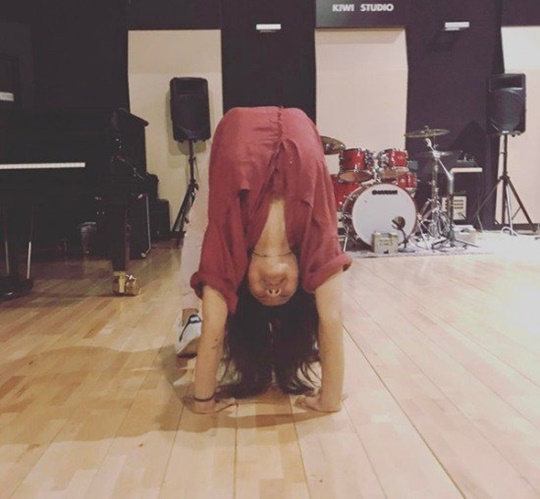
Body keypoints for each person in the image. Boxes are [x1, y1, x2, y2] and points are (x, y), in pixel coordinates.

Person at [177, 106, 352, 414]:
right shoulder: (316, 240)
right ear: (302, 282)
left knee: (202, 223)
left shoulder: (229, 245)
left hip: (236, 136)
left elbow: (214, 327)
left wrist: (203, 402)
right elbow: (331, 319)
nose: (272, 290)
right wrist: (329, 399)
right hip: (299, 134)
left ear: (244, 278)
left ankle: (185, 321)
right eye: (282, 296)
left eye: (262, 295)